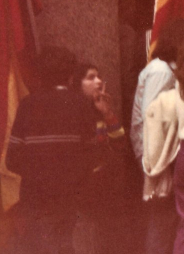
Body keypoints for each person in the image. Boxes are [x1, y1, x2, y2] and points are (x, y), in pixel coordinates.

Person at [7, 47, 98, 254]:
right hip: (69, 198)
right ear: (71, 75)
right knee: (65, 244)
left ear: (39, 75)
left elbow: (11, 159)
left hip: (35, 198)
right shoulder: (81, 105)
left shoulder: (27, 105)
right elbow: (92, 155)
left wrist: (40, 174)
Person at [131, 19, 184, 254]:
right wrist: (157, 168)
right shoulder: (161, 70)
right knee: (161, 221)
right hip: (156, 155)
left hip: (159, 153)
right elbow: (153, 119)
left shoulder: (166, 68)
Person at [69, 63, 127, 254]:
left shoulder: (100, 108)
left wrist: (107, 113)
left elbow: (120, 143)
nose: (98, 81)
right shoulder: (73, 110)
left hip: (103, 188)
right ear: (78, 83)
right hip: (82, 189)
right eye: (91, 77)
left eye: (99, 76)